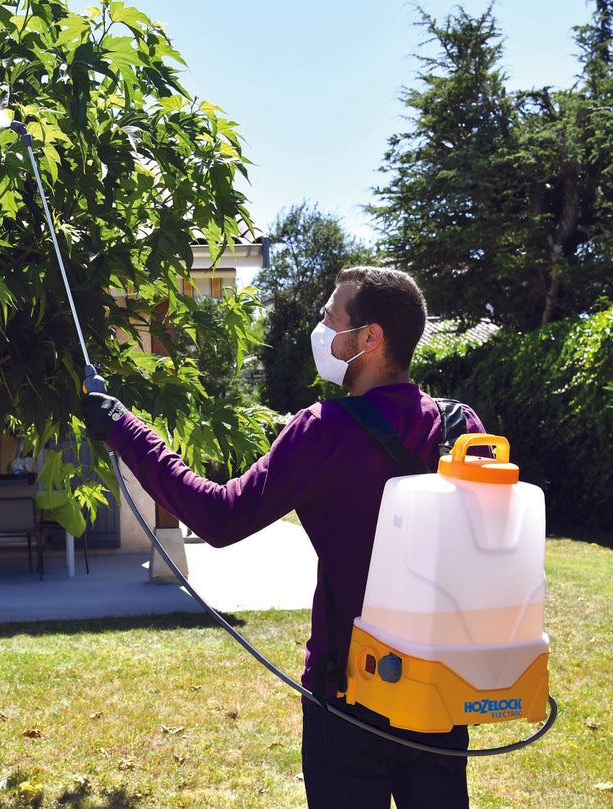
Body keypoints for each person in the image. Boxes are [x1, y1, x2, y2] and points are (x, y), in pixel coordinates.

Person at [81, 266, 484, 809]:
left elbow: (220, 517)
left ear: (370, 338)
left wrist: (123, 426)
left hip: (349, 700)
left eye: (330, 318)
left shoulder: (324, 430)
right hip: (443, 693)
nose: (319, 330)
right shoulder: (462, 427)